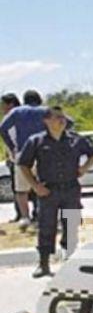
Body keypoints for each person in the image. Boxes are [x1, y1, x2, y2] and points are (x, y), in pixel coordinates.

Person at [17, 106, 93, 278]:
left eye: (63, 117)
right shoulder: (37, 141)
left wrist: (84, 168)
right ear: (46, 121)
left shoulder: (75, 140)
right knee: (46, 227)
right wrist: (35, 186)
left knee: (71, 224)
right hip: (48, 191)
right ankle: (44, 264)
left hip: (70, 189)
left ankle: (69, 261)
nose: (62, 120)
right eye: (57, 117)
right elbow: (23, 164)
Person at [0, 90, 46, 230]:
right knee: (42, 186)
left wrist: (12, 146)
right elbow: (68, 122)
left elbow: (2, 128)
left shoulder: (16, 112)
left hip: (23, 154)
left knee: (21, 190)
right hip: (43, 153)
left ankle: (25, 218)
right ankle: (41, 216)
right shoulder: (46, 111)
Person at [1, 93, 22, 222]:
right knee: (17, 188)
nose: (1, 107)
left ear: (11, 104)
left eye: (3, 104)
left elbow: (12, 137)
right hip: (13, 157)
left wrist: (13, 150)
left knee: (23, 188)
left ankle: (28, 214)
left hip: (20, 156)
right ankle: (21, 214)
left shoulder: (16, 118)